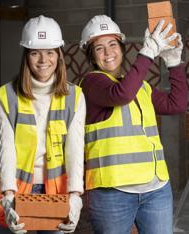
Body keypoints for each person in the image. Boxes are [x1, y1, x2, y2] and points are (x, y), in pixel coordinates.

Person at [79, 15, 187, 234]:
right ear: (91, 55)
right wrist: (147, 52)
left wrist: (174, 63)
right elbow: (122, 95)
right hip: (113, 194)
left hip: (156, 189)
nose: (108, 53)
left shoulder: (141, 86)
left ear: (121, 47)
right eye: (99, 48)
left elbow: (177, 104)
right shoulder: (91, 84)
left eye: (112, 44)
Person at [0, 15, 86, 234]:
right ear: (26, 56)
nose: (43, 60)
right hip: (15, 187)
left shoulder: (75, 96)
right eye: (35, 53)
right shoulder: (7, 96)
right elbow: (6, 149)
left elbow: (75, 148)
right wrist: (8, 195)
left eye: (50, 52)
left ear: (59, 56)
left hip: (56, 189)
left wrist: (75, 196)